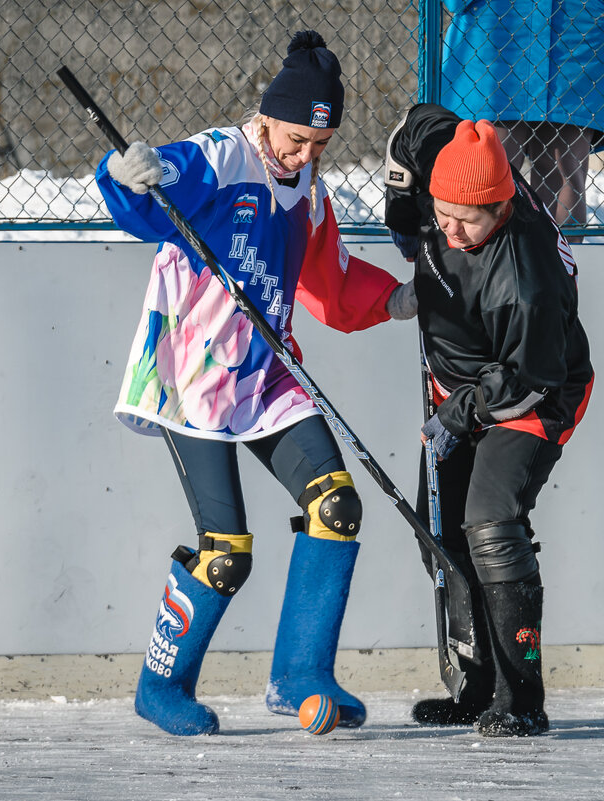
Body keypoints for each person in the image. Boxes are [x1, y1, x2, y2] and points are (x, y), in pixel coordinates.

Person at [95, 30, 415, 736]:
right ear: (267, 116)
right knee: (226, 554)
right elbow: (147, 204)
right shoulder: (218, 157)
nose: (305, 156)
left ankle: (300, 673)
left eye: (319, 146)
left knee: (337, 506)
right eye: (297, 138)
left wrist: (393, 299)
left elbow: (327, 285)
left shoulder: (309, 191)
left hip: (267, 373)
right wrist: (123, 173)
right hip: (192, 376)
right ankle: (161, 685)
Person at [383, 104, 594, 736]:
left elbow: (529, 378)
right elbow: (418, 124)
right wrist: (400, 197)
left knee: (491, 521)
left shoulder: (525, 277)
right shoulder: (453, 167)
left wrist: (456, 412)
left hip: (535, 392)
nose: (447, 230)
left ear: (500, 207)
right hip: (461, 384)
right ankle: (473, 689)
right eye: (439, 215)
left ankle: (521, 699)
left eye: (463, 221)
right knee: (442, 530)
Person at [438, 0, 604, 240]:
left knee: (563, 173)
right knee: (481, 176)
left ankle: (559, 273)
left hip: (575, 33)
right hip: (491, 34)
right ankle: (477, 273)